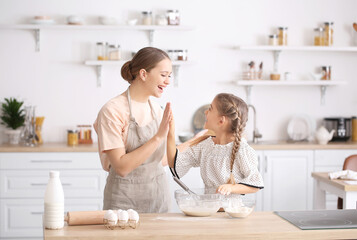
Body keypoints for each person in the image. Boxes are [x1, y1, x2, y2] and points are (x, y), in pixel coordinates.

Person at [93, 47, 173, 213]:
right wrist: (158, 138)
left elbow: (160, 160)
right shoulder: (113, 110)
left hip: (158, 200)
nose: (167, 81)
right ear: (143, 74)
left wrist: (195, 142)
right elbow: (121, 167)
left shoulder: (157, 110)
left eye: (169, 76)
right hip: (123, 204)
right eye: (163, 75)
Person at [167, 93, 264, 195]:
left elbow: (255, 183)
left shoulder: (242, 150)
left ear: (221, 121)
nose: (205, 112)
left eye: (210, 109)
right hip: (210, 208)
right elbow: (175, 163)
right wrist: (170, 133)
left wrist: (231, 188)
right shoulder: (205, 145)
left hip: (231, 210)